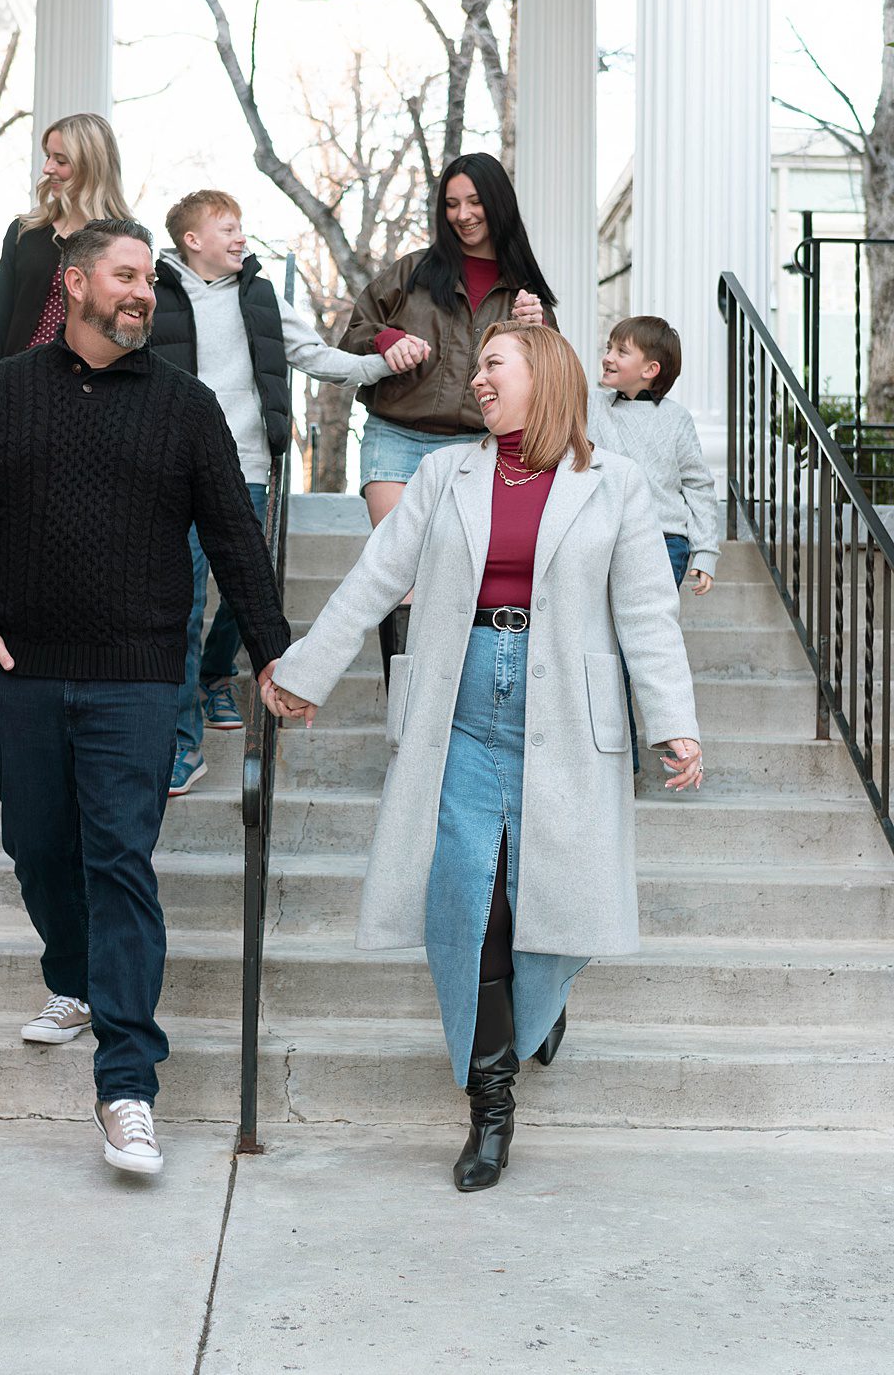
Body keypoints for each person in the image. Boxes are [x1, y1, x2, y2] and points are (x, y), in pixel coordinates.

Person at [263, 322, 702, 1193]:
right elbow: (376, 577)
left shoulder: (614, 483)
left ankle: (539, 1003)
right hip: (460, 700)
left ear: (540, 375)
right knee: (471, 894)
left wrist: (673, 722)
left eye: (493, 364)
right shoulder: (445, 473)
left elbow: (648, 612)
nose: (479, 380)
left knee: (551, 893)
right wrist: (309, 668)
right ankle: (491, 1102)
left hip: (564, 706)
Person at [0, 219, 290, 1179]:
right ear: (76, 284)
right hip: (24, 673)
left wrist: (274, 654)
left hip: (136, 678)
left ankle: (127, 1083)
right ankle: (75, 979)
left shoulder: (185, 405)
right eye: (125, 277)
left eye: (150, 283)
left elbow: (237, 543)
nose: (143, 294)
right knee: (38, 848)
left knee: (120, 860)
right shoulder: (3, 393)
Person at [152, 188, 425, 795]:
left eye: (242, 225)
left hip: (245, 464)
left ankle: (217, 674)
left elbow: (319, 358)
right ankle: (181, 743)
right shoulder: (154, 293)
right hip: (170, 469)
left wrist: (385, 365)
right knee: (183, 603)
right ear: (192, 240)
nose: (241, 237)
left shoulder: (261, 296)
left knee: (245, 594)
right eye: (228, 227)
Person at [337, 152, 557, 678]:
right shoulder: (412, 271)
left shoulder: (523, 286)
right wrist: (387, 340)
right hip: (396, 437)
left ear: (497, 204)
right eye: (452, 203)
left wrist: (543, 328)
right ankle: (407, 715)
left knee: (461, 576)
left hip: (478, 449)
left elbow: (549, 379)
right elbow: (353, 335)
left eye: (475, 201)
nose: (463, 214)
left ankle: (453, 706)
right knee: (400, 576)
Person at [589, 314, 719, 772]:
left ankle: (654, 743)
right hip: (604, 537)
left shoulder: (677, 420)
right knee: (607, 649)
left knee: (637, 644)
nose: (607, 356)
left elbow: (698, 486)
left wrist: (705, 551)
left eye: (621, 351)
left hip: (666, 541)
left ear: (651, 369)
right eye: (609, 346)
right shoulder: (592, 407)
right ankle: (616, 759)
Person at [0, 112, 129, 372]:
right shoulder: (25, 233)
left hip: (96, 390)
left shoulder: (126, 243)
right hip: (21, 382)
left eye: (61, 160)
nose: (48, 169)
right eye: (48, 156)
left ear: (90, 165)